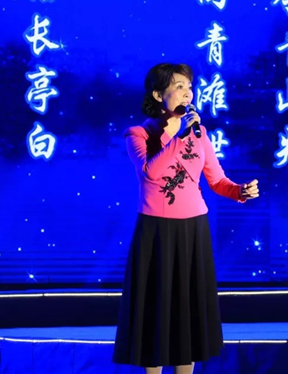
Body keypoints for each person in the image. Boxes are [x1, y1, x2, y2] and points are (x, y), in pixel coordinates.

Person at [113, 63, 259, 374]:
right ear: (158, 94)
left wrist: (240, 191)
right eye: (179, 86)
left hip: (194, 229)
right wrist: (179, 137)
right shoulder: (139, 134)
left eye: (189, 87)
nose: (187, 92)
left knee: (187, 310)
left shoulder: (199, 135)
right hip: (156, 231)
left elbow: (217, 181)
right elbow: (151, 172)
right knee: (155, 310)